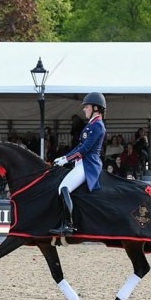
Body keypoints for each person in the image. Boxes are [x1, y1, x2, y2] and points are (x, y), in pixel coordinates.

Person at [49, 92, 106, 236]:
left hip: (88, 164)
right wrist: (64, 157)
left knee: (64, 188)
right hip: (81, 162)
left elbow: (85, 149)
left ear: (95, 108)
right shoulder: (91, 124)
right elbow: (79, 147)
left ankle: (68, 225)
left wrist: (67, 160)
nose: (84, 109)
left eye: (86, 107)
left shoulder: (98, 125)